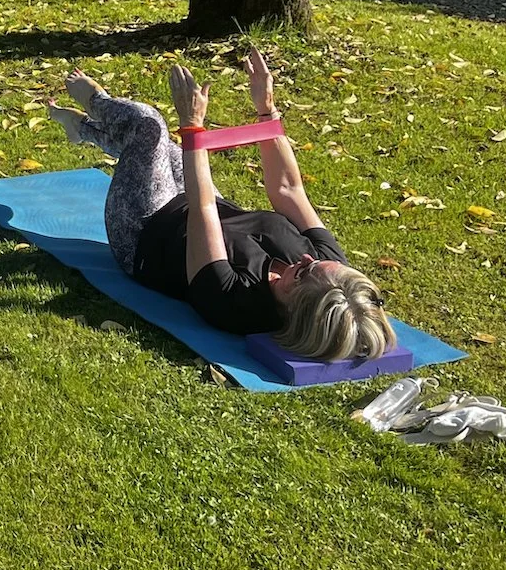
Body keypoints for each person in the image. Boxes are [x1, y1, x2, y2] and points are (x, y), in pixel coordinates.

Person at [44, 49, 397, 361]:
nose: (307, 258)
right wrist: (266, 110)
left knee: (148, 126)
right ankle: (82, 130)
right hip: (199, 200)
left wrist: (193, 128)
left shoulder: (234, 303)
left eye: (303, 272)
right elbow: (288, 189)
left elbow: (203, 211)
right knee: (152, 145)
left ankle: (94, 101)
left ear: (295, 309)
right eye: (318, 262)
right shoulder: (331, 271)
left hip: (144, 228)